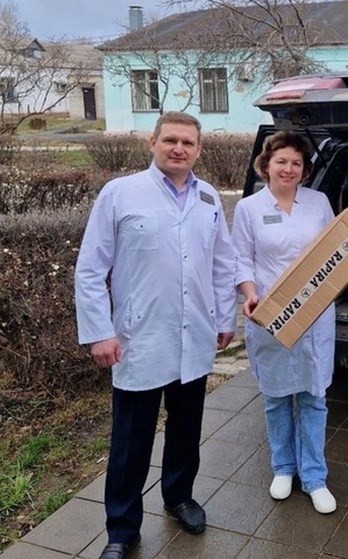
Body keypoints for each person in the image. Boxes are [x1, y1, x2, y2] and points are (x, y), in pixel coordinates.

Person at [75, 112, 237, 559]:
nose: (179, 148)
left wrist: (226, 319)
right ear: (153, 142)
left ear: (199, 149)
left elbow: (223, 263)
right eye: (170, 140)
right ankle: (122, 529)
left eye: (188, 142)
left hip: (195, 336)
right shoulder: (120, 193)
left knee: (187, 430)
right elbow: (91, 269)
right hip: (138, 339)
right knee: (131, 441)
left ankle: (179, 496)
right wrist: (99, 333)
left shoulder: (207, 198)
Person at [231, 130, 337, 514]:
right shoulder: (249, 208)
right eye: (281, 161)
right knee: (276, 397)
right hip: (270, 312)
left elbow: (335, 250)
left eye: (296, 163)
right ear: (266, 164)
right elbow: (241, 257)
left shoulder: (319, 202)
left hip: (314, 313)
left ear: (304, 169)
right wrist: (249, 293)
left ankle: (314, 476)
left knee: (313, 396)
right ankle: (283, 467)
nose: (288, 169)